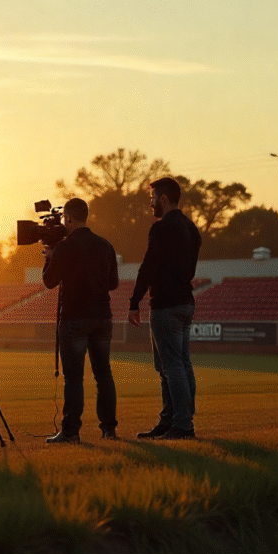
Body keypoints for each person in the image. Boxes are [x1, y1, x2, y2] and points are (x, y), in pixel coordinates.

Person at [128, 176, 202, 440]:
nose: (150, 205)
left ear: (163, 199)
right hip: (185, 302)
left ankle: (182, 424)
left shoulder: (161, 228)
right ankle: (171, 420)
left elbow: (148, 265)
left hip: (166, 305)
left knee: (170, 367)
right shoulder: (191, 228)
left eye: (152, 199)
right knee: (180, 363)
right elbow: (191, 268)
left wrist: (134, 300)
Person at [41, 198, 120, 443]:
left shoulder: (65, 248)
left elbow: (49, 281)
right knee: (103, 374)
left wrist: (49, 256)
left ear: (70, 219)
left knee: (74, 378)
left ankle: (71, 431)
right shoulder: (105, 245)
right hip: (102, 317)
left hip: (75, 317)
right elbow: (113, 283)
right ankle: (109, 429)